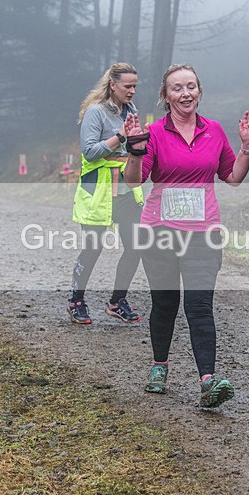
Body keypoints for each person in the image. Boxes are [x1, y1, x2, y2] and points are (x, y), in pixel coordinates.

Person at [122, 64, 249, 408]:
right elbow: (134, 180)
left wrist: (248, 148)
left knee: (199, 306)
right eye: (177, 88)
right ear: (166, 97)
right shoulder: (153, 132)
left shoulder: (213, 130)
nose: (185, 93)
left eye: (191, 87)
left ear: (199, 91)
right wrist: (135, 152)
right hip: (160, 233)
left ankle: (208, 381)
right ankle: (159, 367)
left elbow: (233, 177)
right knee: (165, 304)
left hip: (203, 234)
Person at [68, 63, 146, 325]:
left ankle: (117, 301)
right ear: (113, 85)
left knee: (136, 246)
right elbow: (89, 152)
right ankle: (76, 300)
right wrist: (120, 136)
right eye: (128, 86)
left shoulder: (131, 110)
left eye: (135, 86)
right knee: (93, 248)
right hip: (98, 192)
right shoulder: (95, 112)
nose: (132, 91)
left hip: (125, 191)